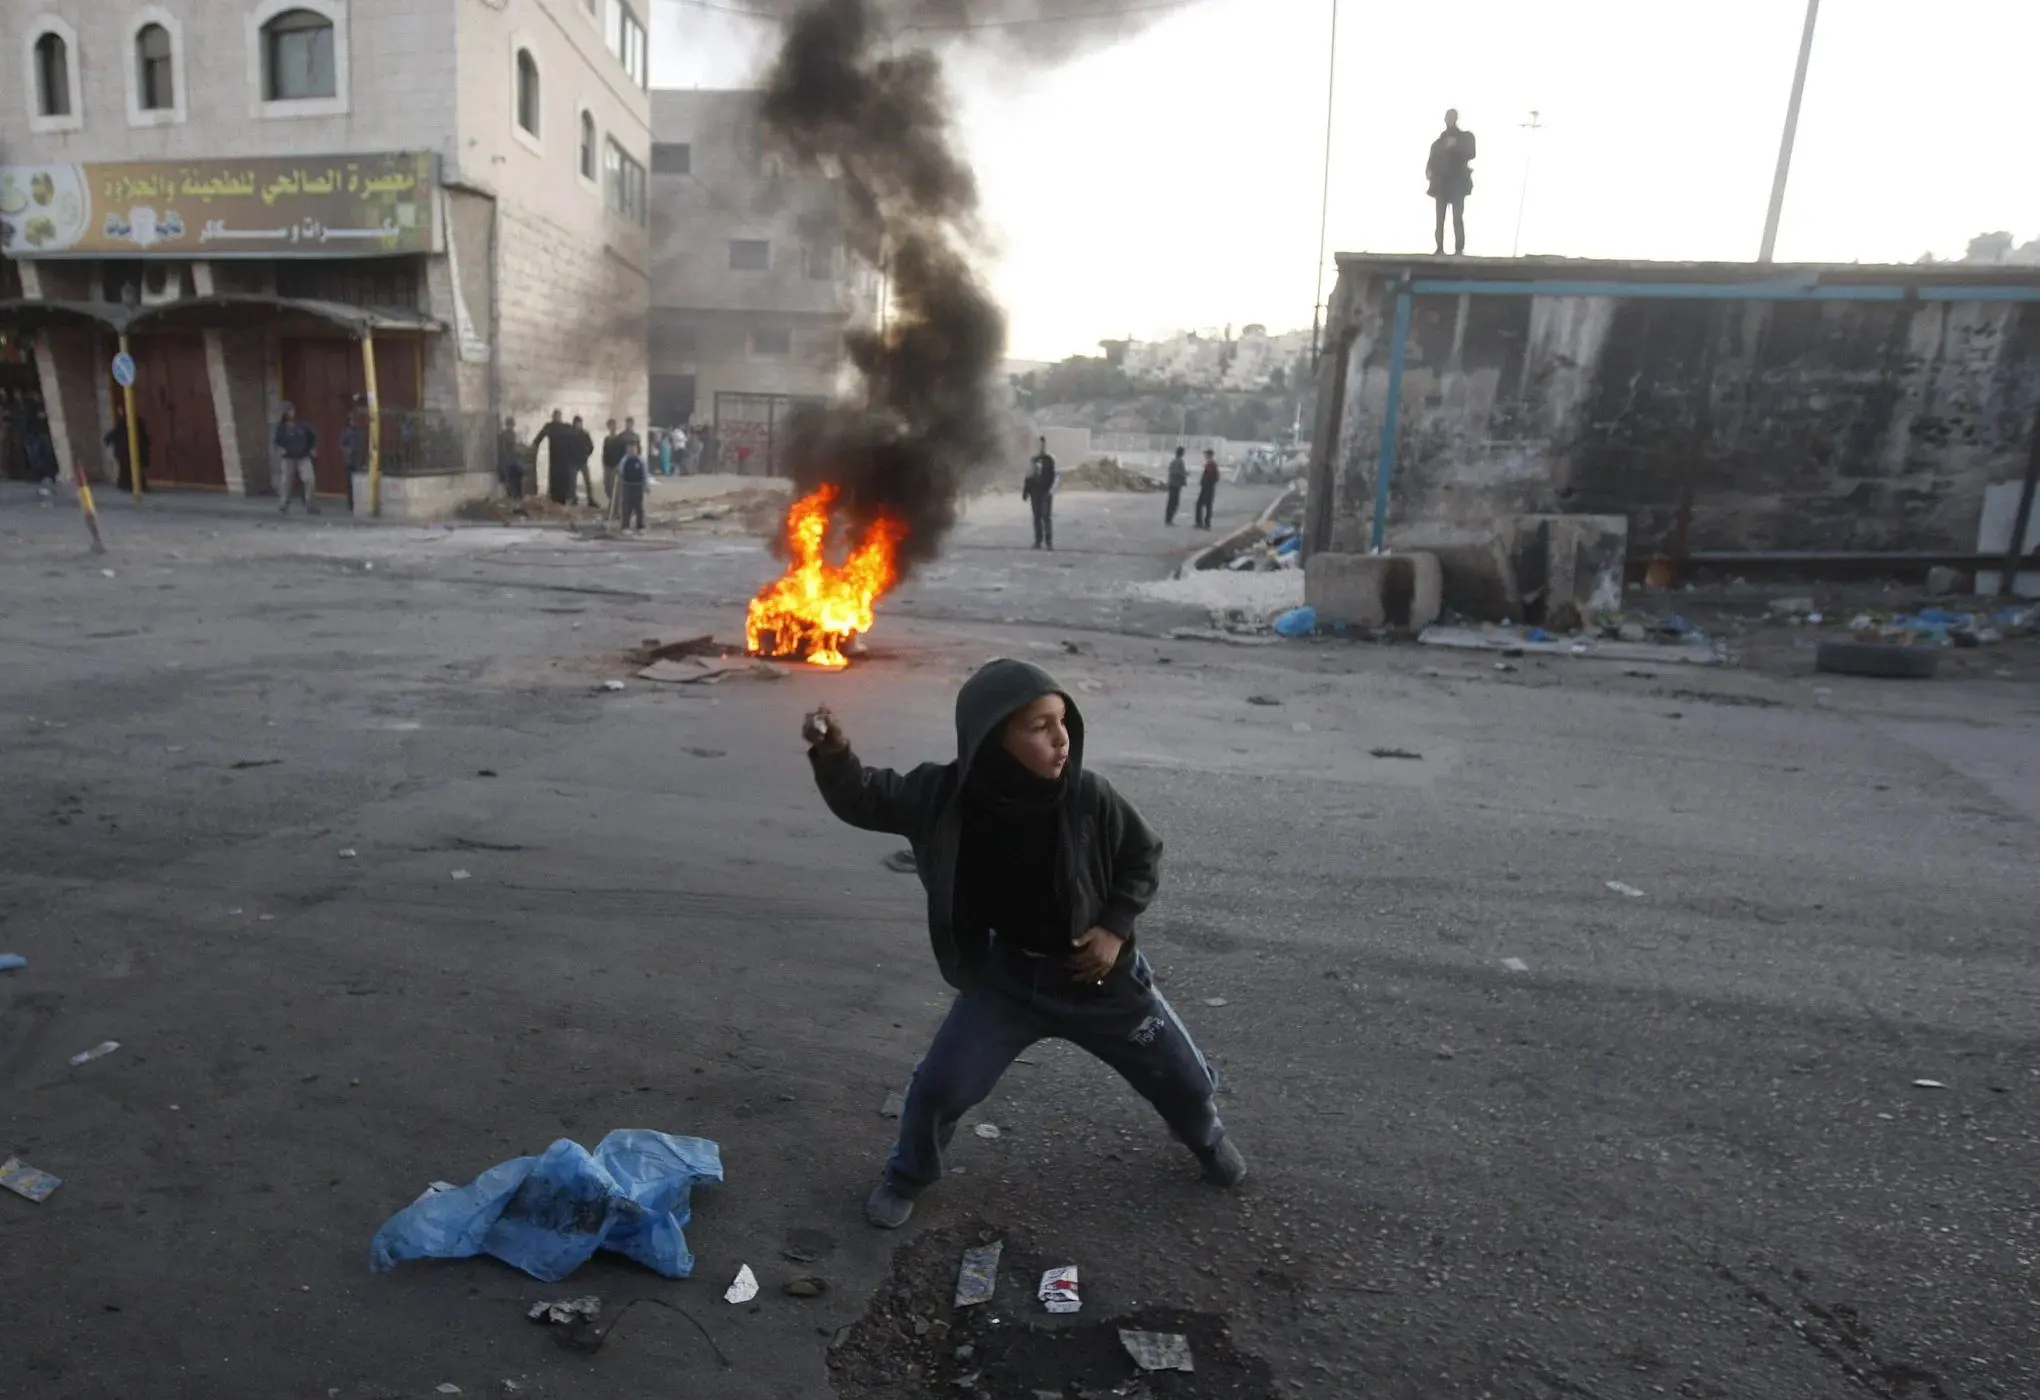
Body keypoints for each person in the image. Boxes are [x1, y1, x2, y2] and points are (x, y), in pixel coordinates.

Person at [802, 659, 1246, 1231]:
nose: (1061, 738)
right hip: (1008, 980)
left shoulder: (1089, 798)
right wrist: (834, 753)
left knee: (1182, 1079)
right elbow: (864, 799)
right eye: (1039, 727)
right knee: (941, 1087)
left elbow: (1143, 857)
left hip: (1099, 979)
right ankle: (907, 1175)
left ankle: (1206, 1142)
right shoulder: (942, 797)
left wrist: (1113, 929)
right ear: (992, 738)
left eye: (1062, 721)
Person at [1426, 108, 1476, 256]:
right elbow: (1431, 162)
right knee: (1439, 219)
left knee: (1457, 217)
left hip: (1457, 182)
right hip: (1441, 183)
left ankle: (1459, 249)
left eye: (1451, 117)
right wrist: (1429, 173)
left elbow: (1471, 153)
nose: (1449, 120)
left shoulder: (1465, 137)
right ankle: (1439, 247)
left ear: (1456, 118)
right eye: (1447, 117)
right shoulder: (1438, 143)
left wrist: (1455, 146)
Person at [273, 402, 318, 512]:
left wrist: (312, 448)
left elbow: (313, 436)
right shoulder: (281, 428)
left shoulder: (302, 425)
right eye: (287, 412)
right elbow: (277, 441)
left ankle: (310, 503)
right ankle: (284, 503)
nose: (290, 414)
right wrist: (280, 450)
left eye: (291, 411)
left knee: (309, 479)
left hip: (303, 456)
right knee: (286, 481)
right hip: (288, 457)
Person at [106, 405, 151, 494]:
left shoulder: (124, 422)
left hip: (126, 452)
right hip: (132, 451)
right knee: (133, 469)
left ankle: (129, 486)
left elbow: (114, 434)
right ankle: (136, 486)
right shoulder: (135, 421)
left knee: (126, 470)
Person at [1022, 436, 1056, 550]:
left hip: (1045, 492)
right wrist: (1025, 492)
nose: (1040, 447)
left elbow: (1053, 476)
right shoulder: (1033, 460)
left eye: (1042, 445)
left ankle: (1048, 541)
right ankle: (1038, 540)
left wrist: (1049, 488)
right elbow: (1028, 476)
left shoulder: (1049, 460)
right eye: (1038, 445)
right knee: (1036, 517)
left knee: (1046, 517)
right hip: (1035, 492)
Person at [535, 409, 573, 505]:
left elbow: (576, 438)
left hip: (565, 458)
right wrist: (534, 446)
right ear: (553, 417)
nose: (557, 418)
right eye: (555, 416)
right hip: (555, 458)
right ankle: (555, 499)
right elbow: (539, 438)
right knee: (555, 480)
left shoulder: (566, 427)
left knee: (563, 480)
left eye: (558, 416)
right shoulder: (550, 427)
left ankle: (563, 499)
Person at [339, 396, 369, 511]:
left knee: (361, 483)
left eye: (355, 420)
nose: (353, 422)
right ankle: (351, 504)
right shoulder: (346, 432)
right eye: (351, 420)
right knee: (350, 484)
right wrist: (347, 452)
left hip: (360, 459)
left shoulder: (361, 431)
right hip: (351, 461)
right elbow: (342, 445)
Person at [560, 415, 597, 505]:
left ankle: (590, 499)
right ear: (574, 424)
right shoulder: (569, 435)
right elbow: (565, 448)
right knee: (572, 482)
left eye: (580, 423)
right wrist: (568, 458)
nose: (579, 425)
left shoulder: (585, 434)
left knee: (588, 481)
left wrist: (586, 455)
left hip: (583, 461)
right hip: (573, 462)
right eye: (577, 423)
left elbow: (591, 446)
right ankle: (573, 499)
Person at [616, 440, 649, 532]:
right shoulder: (624, 460)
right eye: (629, 448)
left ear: (637, 449)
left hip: (638, 486)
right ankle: (625, 526)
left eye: (633, 448)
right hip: (627, 486)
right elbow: (621, 473)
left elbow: (645, 473)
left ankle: (640, 526)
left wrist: (646, 486)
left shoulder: (641, 460)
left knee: (639, 507)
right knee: (627, 507)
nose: (631, 450)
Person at [496, 414, 525, 501]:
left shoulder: (513, 434)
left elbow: (514, 448)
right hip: (507, 461)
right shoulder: (504, 435)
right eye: (510, 424)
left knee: (520, 471)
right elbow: (503, 450)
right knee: (510, 477)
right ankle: (513, 495)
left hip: (512, 460)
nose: (511, 426)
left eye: (512, 425)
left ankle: (518, 495)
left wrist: (518, 452)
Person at [599, 418, 623, 507]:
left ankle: (615, 505)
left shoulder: (619, 439)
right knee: (607, 486)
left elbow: (622, 453)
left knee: (614, 486)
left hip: (615, 465)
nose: (612, 428)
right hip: (607, 465)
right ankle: (611, 501)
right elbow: (604, 452)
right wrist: (603, 463)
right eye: (610, 426)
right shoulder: (607, 439)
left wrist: (619, 465)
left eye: (613, 426)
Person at [1194, 448, 1220, 530]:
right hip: (1209, 487)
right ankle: (1206, 523)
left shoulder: (1211, 464)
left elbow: (1211, 476)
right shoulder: (1212, 464)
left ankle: (1201, 523)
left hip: (1207, 487)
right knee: (1207, 505)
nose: (1205, 456)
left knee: (1200, 504)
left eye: (1206, 454)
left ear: (1209, 455)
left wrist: (1205, 483)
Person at [1164, 446, 1188, 525]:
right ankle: (1169, 519)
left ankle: (1169, 519)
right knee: (1173, 502)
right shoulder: (1178, 461)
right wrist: (1184, 474)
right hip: (1175, 484)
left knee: (1172, 502)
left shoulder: (1175, 461)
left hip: (1174, 483)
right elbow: (1175, 472)